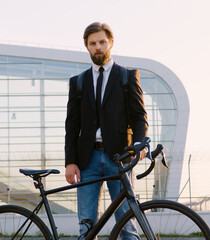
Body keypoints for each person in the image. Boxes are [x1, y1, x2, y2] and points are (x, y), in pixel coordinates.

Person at [64, 22, 148, 239]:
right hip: (87, 160)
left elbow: (140, 117)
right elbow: (72, 126)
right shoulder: (78, 82)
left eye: (102, 42)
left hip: (119, 157)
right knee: (86, 227)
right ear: (87, 47)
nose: (98, 47)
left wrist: (139, 144)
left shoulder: (127, 77)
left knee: (127, 225)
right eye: (92, 43)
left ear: (111, 42)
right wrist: (70, 161)